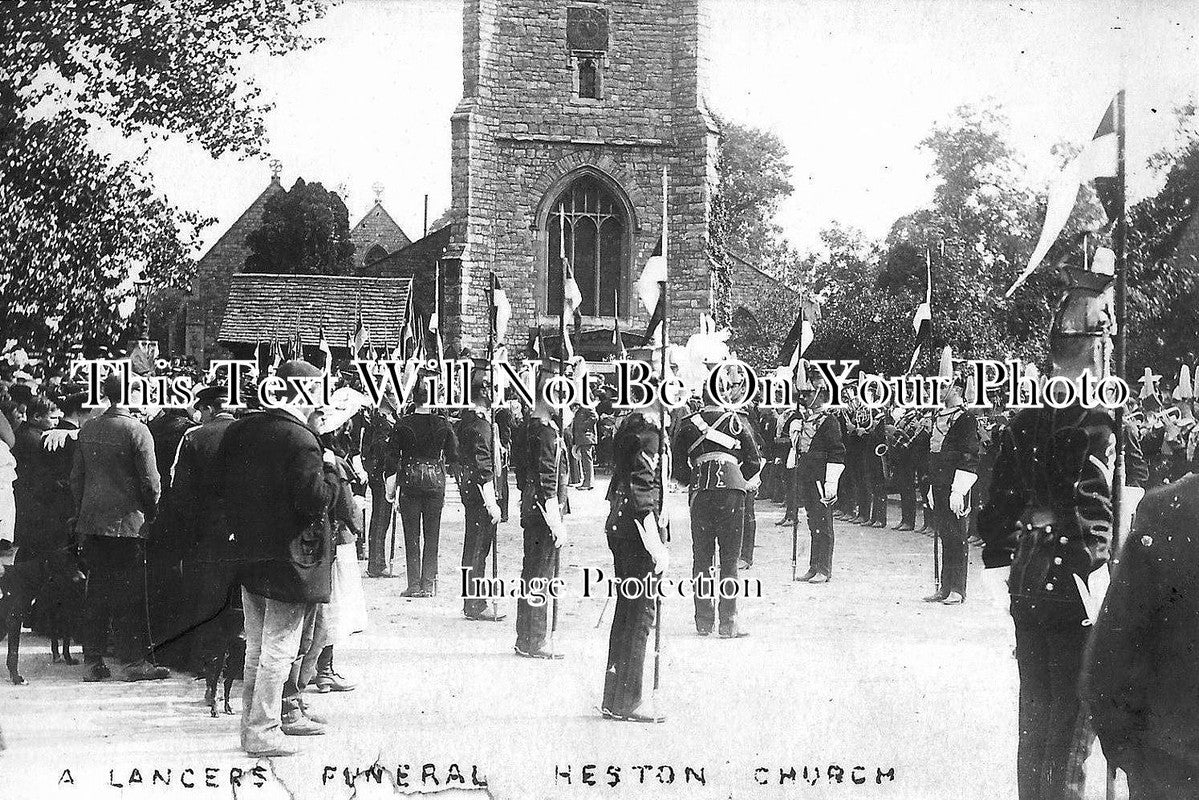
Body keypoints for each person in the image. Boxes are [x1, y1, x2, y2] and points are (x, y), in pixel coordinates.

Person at [978, 264, 1116, 800]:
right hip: (1074, 584)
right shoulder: (1093, 415)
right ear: (1093, 344)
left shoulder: (1028, 410)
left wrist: (1004, 566)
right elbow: (1091, 510)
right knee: (1070, 735)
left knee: (1035, 724)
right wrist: (1104, 585)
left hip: (1029, 580)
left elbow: (998, 509)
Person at [217, 360, 338, 758]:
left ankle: (252, 726)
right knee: (279, 647)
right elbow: (314, 500)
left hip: (251, 551)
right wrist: (332, 472)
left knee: (256, 645)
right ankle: (263, 730)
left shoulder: (242, 429)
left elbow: (223, 490)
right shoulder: (301, 441)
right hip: (292, 558)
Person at [1082, 475, 1195, 800]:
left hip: (1172, 757)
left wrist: (1124, 747)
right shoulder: (1166, 509)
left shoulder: (1167, 509)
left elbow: (1113, 650)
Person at [71, 373, 167, 682]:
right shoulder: (138, 431)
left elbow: (77, 478)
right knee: (130, 593)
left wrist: (83, 512)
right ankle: (133, 662)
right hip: (128, 524)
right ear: (132, 395)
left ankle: (93, 660)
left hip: (93, 522)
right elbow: (151, 483)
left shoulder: (89, 428)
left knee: (96, 589)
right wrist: (151, 516)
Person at [671, 362, 761, 638]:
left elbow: (679, 470)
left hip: (701, 491)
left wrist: (693, 478)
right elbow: (754, 461)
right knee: (730, 559)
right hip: (733, 492)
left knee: (702, 558)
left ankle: (703, 621)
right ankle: (728, 623)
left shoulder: (688, 425)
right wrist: (735, 478)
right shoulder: (737, 421)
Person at [601, 392, 668, 723]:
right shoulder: (648, 432)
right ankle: (630, 701)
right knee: (640, 615)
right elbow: (642, 493)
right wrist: (657, 546)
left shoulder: (632, 424)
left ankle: (615, 697)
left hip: (620, 526)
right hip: (636, 533)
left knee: (626, 613)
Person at [514, 364, 568, 659]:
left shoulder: (527, 426)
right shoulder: (546, 433)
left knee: (530, 571)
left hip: (530, 505)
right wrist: (556, 520)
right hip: (543, 509)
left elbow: (523, 474)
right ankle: (536, 639)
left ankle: (526, 636)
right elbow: (548, 479)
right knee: (541, 575)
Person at [385, 377, 457, 598]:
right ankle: (428, 583)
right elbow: (454, 456)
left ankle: (414, 584)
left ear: (413, 399)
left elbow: (391, 459)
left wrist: (391, 489)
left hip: (409, 483)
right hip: (435, 483)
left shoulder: (402, 424)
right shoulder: (443, 424)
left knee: (412, 534)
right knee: (432, 534)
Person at [923, 348, 980, 606]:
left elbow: (969, 456)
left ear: (956, 389)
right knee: (945, 534)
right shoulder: (939, 415)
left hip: (957, 484)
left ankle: (958, 588)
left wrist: (959, 489)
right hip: (939, 482)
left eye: (943, 385)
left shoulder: (966, 419)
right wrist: (931, 486)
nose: (938, 390)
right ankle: (945, 587)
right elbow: (933, 453)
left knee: (957, 536)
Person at [456, 375, 505, 621]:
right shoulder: (479, 424)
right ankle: (475, 603)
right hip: (479, 493)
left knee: (473, 547)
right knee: (478, 548)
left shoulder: (471, 419)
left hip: (470, 490)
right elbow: (482, 464)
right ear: (484, 392)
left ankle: (471, 600)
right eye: (494, 389)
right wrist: (491, 501)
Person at [792, 369, 845, 583]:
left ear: (820, 394)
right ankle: (813, 566)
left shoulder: (829, 421)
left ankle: (824, 568)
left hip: (822, 478)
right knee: (812, 522)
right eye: (802, 393)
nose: (803, 397)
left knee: (824, 524)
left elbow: (837, 451)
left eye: (808, 393)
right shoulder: (804, 419)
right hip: (807, 475)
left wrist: (831, 481)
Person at [571, 403, 598, 490]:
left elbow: (594, 417)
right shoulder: (582, 407)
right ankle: (587, 481)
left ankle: (588, 482)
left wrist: (583, 426)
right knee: (585, 459)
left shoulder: (587, 406)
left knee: (587, 459)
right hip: (583, 437)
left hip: (586, 436)